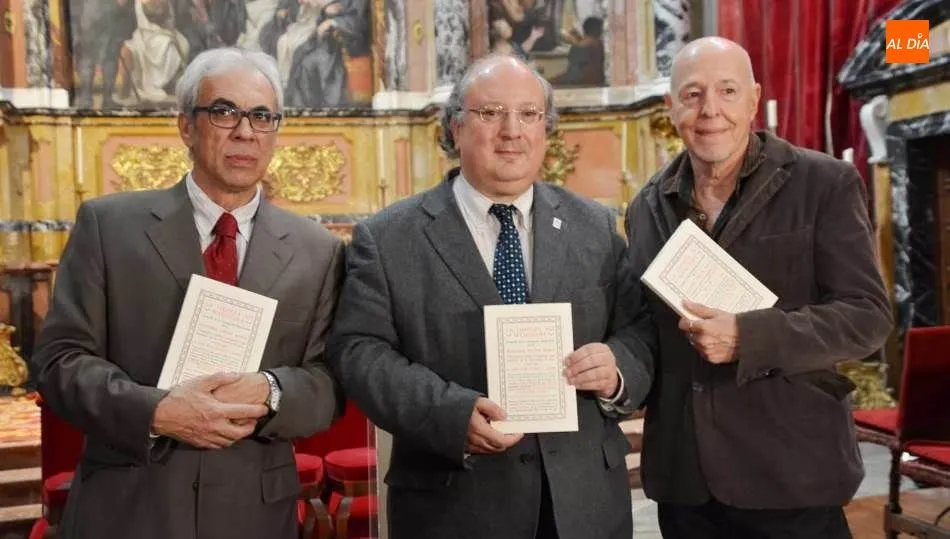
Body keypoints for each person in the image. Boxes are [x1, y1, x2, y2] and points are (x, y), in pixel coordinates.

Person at [326, 54, 656, 539]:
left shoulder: (595, 227)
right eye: (490, 113)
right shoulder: (391, 237)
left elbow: (640, 331)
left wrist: (617, 366)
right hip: (455, 503)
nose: (511, 130)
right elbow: (359, 352)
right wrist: (450, 414)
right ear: (455, 128)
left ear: (546, 129)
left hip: (583, 505)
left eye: (528, 114)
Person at [31, 47, 345, 539]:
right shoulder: (108, 226)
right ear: (185, 127)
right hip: (129, 506)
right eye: (224, 111)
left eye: (262, 116)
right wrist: (156, 411)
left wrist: (272, 390)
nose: (245, 131)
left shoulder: (319, 250)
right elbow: (58, 363)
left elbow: (330, 384)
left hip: (254, 512)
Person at [624, 36, 893, 538]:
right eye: (693, 94)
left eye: (727, 91)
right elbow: (644, 329)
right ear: (671, 107)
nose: (710, 111)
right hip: (686, 479)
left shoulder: (824, 183)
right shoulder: (646, 207)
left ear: (753, 99)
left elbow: (867, 316)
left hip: (790, 469)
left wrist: (750, 338)